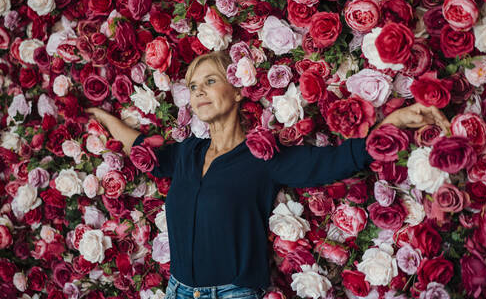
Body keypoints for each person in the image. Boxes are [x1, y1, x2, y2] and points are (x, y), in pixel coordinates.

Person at [87, 51, 450, 299]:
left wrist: (393, 123)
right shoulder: (185, 153)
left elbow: (336, 160)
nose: (199, 91)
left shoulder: (263, 157)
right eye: (194, 86)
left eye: (210, 81)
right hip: (177, 290)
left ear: (236, 90)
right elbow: (139, 147)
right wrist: (102, 117)